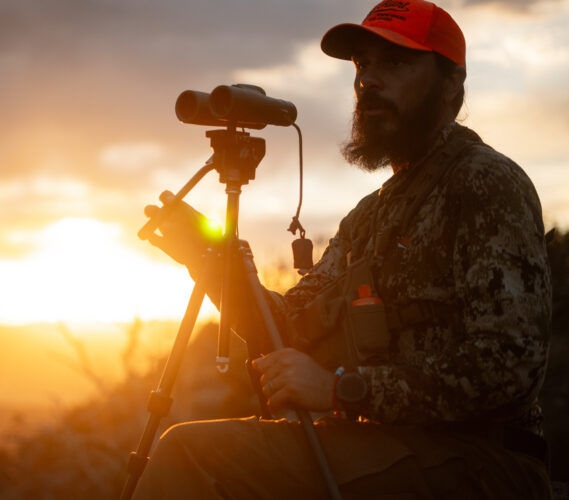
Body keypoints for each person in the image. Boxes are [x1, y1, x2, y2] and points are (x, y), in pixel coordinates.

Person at [133, 0, 552, 498]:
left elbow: (508, 367)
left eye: (394, 62)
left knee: (193, 456)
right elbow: (289, 332)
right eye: (363, 65)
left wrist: (342, 390)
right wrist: (211, 262)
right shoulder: (367, 216)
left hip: (483, 459)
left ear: (451, 84)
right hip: (389, 445)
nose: (368, 81)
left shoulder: (484, 183)